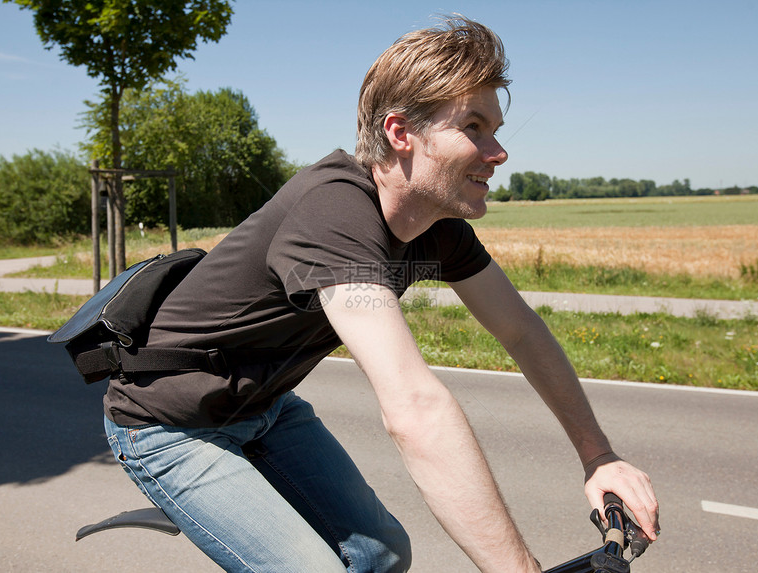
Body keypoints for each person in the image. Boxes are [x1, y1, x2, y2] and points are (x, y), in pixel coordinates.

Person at [102, 15, 659, 573]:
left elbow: (520, 330)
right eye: (474, 127)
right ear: (400, 133)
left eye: (497, 129)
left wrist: (598, 456)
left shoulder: (438, 228)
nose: (499, 151)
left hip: (265, 408)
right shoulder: (335, 214)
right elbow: (415, 408)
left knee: (382, 556)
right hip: (168, 426)